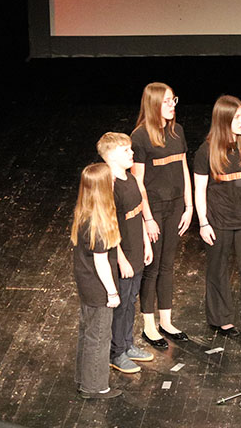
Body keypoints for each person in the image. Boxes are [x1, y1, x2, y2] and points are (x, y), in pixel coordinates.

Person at [193, 96, 241, 335]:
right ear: (223, 120)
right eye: (236, 118)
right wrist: (203, 223)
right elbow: (200, 189)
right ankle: (221, 319)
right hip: (219, 218)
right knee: (218, 269)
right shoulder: (206, 150)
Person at [131, 82, 193, 349]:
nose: (171, 105)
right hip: (154, 208)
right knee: (152, 267)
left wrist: (189, 206)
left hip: (175, 206)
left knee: (167, 265)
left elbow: (183, 169)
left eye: (173, 100)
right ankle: (148, 326)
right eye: (166, 101)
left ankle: (166, 321)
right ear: (153, 104)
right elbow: (138, 181)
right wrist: (147, 218)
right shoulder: (140, 137)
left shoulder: (177, 131)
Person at [97, 132, 155, 374]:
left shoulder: (130, 178)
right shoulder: (110, 187)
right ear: (111, 156)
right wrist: (122, 259)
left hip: (137, 249)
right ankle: (116, 352)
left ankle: (128, 344)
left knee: (131, 301)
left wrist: (146, 244)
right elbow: (110, 229)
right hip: (123, 255)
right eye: (126, 151)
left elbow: (137, 212)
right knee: (121, 305)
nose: (132, 153)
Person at [71, 163, 123, 399]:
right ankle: (94, 387)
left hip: (86, 283)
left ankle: (84, 379)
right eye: (111, 180)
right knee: (99, 336)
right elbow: (101, 263)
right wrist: (112, 292)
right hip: (98, 287)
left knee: (88, 333)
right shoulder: (98, 223)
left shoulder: (85, 211)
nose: (114, 182)